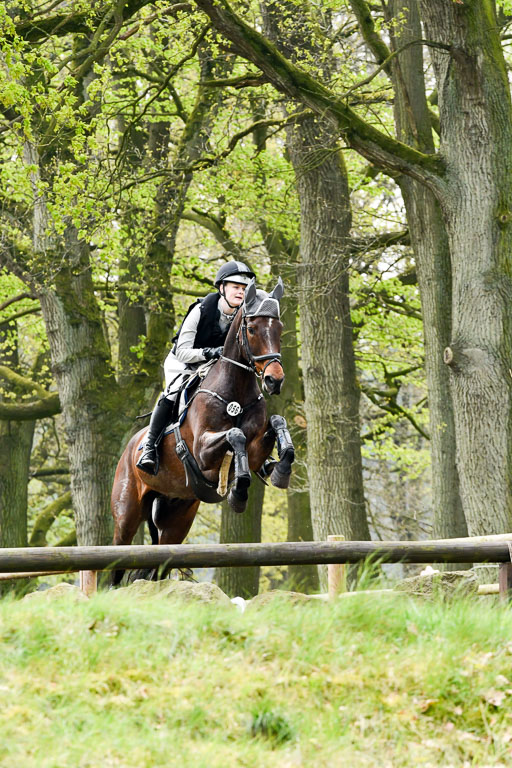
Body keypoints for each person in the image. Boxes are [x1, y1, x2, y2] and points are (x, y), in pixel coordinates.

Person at [136, 260, 256, 474]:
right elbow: (182, 351)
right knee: (172, 393)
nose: (241, 292)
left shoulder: (243, 316)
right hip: (183, 362)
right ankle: (149, 447)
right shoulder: (201, 309)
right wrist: (209, 352)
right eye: (236, 287)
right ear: (222, 288)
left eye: (244, 289)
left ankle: (258, 455)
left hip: (214, 365)